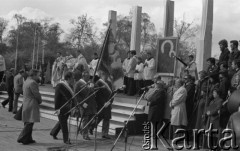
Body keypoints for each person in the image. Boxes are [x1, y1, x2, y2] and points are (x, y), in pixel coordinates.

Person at [17, 69, 42, 145]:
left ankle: (28, 138)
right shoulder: (33, 83)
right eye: (38, 75)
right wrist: (40, 100)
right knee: (30, 122)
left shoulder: (26, 81)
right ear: (33, 75)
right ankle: (22, 137)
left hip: (26, 103)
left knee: (27, 121)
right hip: (31, 104)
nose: (39, 77)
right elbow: (36, 94)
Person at [50, 71, 74, 144]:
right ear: (68, 78)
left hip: (68, 108)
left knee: (62, 122)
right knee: (64, 124)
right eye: (72, 78)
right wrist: (57, 109)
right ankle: (66, 140)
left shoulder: (71, 86)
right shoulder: (60, 85)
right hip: (61, 108)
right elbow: (56, 98)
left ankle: (54, 132)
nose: (73, 79)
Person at [74, 71, 97, 140]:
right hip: (83, 105)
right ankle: (85, 134)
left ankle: (82, 129)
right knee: (85, 119)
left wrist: (92, 87)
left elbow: (92, 93)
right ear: (83, 76)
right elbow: (76, 95)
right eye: (87, 77)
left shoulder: (90, 83)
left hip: (91, 105)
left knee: (91, 120)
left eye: (89, 77)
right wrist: (81, 103)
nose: (88, 78)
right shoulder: (78, 84)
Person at [90, 71, 113, 139]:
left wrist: (110, 102)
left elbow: (112, 93)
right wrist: (103, 102)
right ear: (101, 75)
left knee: (107, 118)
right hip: (101, 103)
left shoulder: (109, 83)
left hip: (108, 103)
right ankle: (91, 127)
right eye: (104, 75)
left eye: (107, 75)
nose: (106, 76)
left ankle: (105, 133)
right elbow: (98, 95)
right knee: (99, 117)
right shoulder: (98, 83)